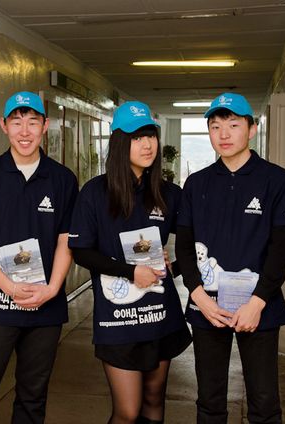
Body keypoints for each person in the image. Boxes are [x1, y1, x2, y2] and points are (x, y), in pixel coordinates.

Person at [0, 91, 78, 424]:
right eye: (16, 122)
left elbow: (66, 241)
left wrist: (52, 289)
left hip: (45, 307)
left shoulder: (63, 179)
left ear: (45, 126)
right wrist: (9, 287)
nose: (24, 131)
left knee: (33, 399)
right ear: (3, 125)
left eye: (33, 122)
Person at [175, 93, 285, 424]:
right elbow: (184, 247)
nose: (224, 134)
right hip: (208, 306)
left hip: (259, 305)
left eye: (233, 125)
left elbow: (282, 248)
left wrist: (257, 302)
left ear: (252, 129)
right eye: (215, 126)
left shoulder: (277, 180)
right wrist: (199, 296)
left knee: (264, 402)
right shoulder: (197, 184)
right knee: (210, 401)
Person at [68, 101, 192, 424]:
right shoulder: (95, 193)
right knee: (127, 411)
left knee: (154, 401)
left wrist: (174, 267)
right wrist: (130, 271)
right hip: (117, 318)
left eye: (151, 135)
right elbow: (81, 251)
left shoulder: (168, 193)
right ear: (120, 142)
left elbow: (195, 242)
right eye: (137, 137)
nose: (147, 144)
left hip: (159, 313)